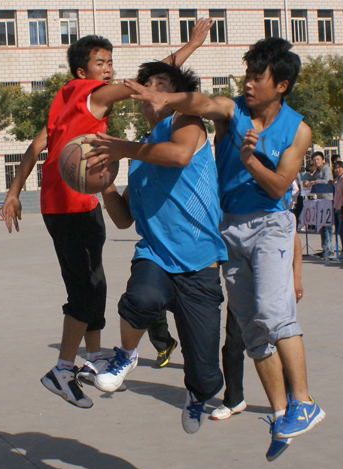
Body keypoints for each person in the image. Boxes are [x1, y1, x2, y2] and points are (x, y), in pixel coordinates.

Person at [127, 37, 325, 457]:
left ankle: (304, 402)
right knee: (253, 332)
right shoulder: (232, 111)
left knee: (274, 313)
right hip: (229, 228)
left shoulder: (298, 130)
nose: (247, 83)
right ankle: (281, 417)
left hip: (270, 224)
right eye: (246, 75)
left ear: (281, 85)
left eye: (257, 77)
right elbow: (199, 102)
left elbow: (278, 188)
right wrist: (162, 94)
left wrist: (250, 161)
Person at [1, 21, 212, 408]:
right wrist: (190, 47)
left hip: (76, 204)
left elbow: (35, 146)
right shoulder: (90, 94)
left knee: (95, 283)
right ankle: (62, 368)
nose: (109, 69)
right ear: (82, 71)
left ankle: (95, 355)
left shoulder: (63, 103)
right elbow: (141, 85)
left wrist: (14, 191)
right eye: (101, 63)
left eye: (111, 62)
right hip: (68, 205)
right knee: (85, 293)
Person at [81, 60, 227, 433]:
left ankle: (197, 394)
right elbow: (123, 219)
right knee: (140, 298)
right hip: (157, 257)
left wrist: (124, 149)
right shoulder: (141, 154)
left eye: (160, 85)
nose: (150, 91)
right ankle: (126, 355)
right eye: (146, 85)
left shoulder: (186, 122)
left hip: (199, 263)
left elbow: (178, 156)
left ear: (176, 95)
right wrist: (105, 186)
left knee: (207, 374)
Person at [211, 232, 303, 460]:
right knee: (233, 345)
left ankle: (292, 401)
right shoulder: (231, 216)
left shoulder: (274, 214)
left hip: (274, 288)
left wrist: (296, 276)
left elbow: (292, 238)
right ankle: (234, 400)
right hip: (242, 287)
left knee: (280, 343)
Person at [305, 151, 334, 257]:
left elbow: (327, 180)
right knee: (322, 225)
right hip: (320, 200)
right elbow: (311, 179)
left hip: (328, 199)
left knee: (328, 225)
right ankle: (324, 248)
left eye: (318, 159)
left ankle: (329, 248)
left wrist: (314, 182)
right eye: (314, 160)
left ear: (322, 160)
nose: (316, 162)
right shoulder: (317, 171)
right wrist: (307, 180)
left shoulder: (326, 169)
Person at [332, 160, 343, 259]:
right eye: (335, 168)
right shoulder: (337, 179)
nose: (337, 170)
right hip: (337, 207)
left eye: (339, 167)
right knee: (340, 231)